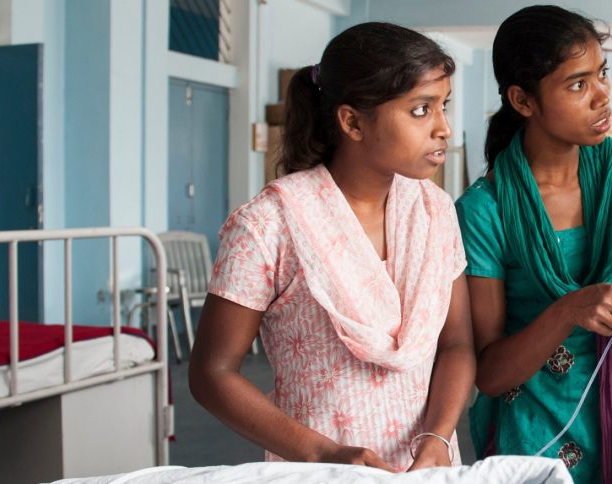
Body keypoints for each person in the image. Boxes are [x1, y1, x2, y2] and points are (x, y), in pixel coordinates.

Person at [189, 22, 474, 472]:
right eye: (421, 110)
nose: (443, 128)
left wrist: (438, 438)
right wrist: (324, 453)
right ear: (352, 121)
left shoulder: (435, 212)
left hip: (429, 467)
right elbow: (212, 374)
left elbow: (457, 343)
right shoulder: (269, 223)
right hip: (316, 469)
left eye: (444, 106)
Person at [455, 5, 612, 483]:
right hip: (535, 434)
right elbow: (490, 372)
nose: (602, 95)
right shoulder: (485, 210)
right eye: (578, 84)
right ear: (523, 101)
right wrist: (568, 310)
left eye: (602, 74)